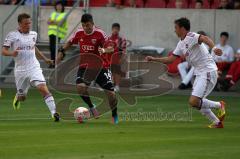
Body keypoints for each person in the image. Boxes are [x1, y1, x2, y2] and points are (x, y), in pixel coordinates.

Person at [145, 17, 226, 128]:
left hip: (207, 71)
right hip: (199, 73)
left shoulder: (191, 36)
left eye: (176, 28)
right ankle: (217, 122)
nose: (174, 30)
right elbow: (170, 59)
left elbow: (205, 38)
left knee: (194, 101)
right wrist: (154, 59)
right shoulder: (181, 43)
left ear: (182, 28)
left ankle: (219, 105)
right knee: (197, 102)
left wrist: (214, 48)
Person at [57, 13, 119, 124]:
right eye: (84, 25)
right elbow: (70, 42)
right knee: (80, 87)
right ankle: (91, 107)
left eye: (88, 25)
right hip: (85, 67)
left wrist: (104, 50)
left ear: (93, 24)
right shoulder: (79, 33)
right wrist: (62, 51)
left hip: (101, 67)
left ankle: (114, 114)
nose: (86, 28)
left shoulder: (100, 33)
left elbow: (111, 48)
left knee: (111, 94)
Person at [1, 13, 60, 121]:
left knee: (43, 88)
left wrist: (45, 59)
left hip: (34, 68)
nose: (28, 25)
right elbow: (3, 51)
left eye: (29, 23)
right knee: (22, 97)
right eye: (25, 23)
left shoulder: (34, 34)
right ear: (19, 24)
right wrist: (11, 53)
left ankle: (54, 113)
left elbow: (34, 47)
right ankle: (18, 96)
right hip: (20, 71)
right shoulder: (12, 35)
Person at [47, 1, 68, 68]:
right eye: (57, 5)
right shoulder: (53, 13)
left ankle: (54, 62)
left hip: (58, 33)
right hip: (51, 33)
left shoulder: (64, 14)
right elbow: (48, 22)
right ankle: (60, 54)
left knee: (54, 48)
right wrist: (55, 22)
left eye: (60, 5)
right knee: (51, 48)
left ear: (62, 7)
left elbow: (60, 23)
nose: (58, 7)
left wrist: (53, 21)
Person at [108, 23, 127, 92]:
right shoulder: (108, 39)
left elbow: (124, 50)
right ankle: (109, 86)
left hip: (117, 58)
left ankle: (117, 86)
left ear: (119, 30)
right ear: (112, 29)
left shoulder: (121, 39)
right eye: (114, 29)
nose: (115, 30)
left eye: (117, 29)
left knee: (117, 72)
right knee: (109, 72)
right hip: (109, 59)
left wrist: (122, 58)